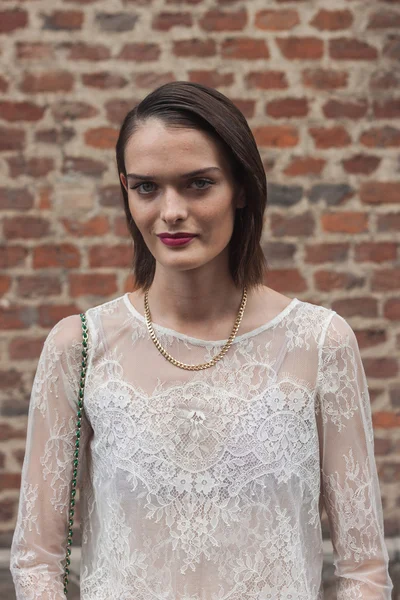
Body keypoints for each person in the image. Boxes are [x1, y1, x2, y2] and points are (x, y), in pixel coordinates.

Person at [10, 81, 393, 599]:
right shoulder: (78, 347)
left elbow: (364, 571)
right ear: (126, 189)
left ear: (240, 187)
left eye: (197, 184)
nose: (171, 211)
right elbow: (36, 562)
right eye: (147, 187)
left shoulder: (319, 343)